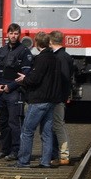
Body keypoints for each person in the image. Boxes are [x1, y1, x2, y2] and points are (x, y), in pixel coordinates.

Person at [15, 31, 60, 168]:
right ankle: (45, 161)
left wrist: (24, 79)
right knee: (46, 133)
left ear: (37, 43)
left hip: (38, 100)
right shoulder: (55, 59)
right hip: (51, 100)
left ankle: (23, 161)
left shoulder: (41, 59)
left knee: (27, 131)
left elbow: (35, 79)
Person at [0, 23, 33, 160]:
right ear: (7, 34)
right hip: (1, 92)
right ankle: (4, 149)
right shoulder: (1, 50)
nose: (13, 36)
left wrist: (11, 86)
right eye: (11, 33)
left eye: (16, 34)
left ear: (19, 35)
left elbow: (25, 74)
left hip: (14, 92)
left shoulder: (24, 52)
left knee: (14, 123)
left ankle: (16, 151)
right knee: (3, 123)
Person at [48, 30, 74, 166]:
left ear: (51, 41)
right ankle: (57, 154)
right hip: (59, 96)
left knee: (58, 125)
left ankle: (64, 155)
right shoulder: (64, 56)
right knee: (55, 125)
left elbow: (63, 78)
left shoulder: (60, 57)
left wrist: (59, 95)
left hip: (57, 98)